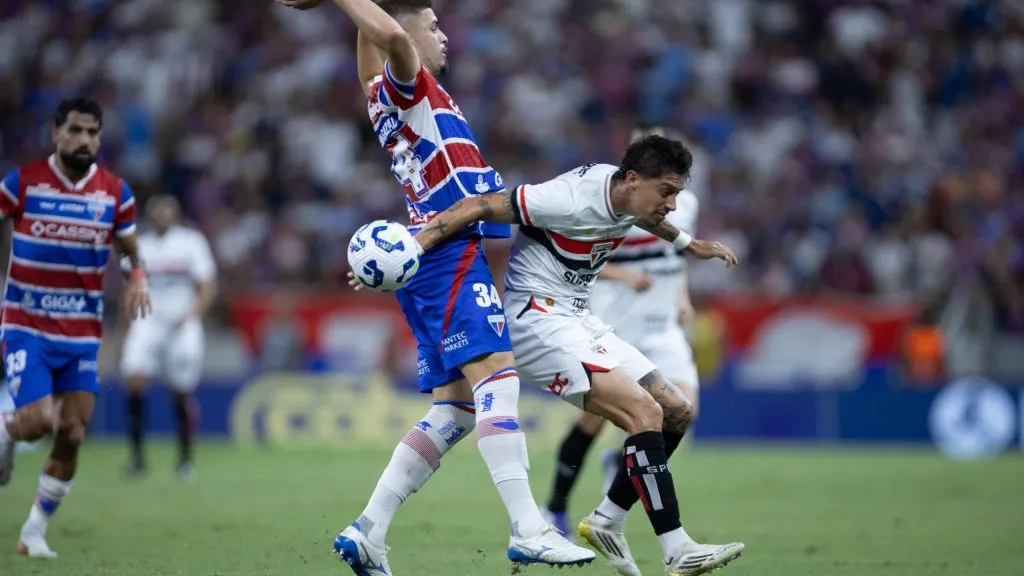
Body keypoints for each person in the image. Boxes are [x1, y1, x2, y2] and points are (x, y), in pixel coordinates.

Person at [275, 0, 594, 573]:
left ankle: (368, 530)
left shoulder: (387, 95)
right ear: (407, 30)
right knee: (497, 378)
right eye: (434, 24)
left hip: (436, 260)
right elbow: (390, 39)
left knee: (456, 410)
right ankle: (529, 528)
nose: (443, 35)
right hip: (446, 257)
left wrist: (356, 14)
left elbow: (374, 46)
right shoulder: (409, 88)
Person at [407, 135, 745, 576]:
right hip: (536, 318)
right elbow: (479, 206)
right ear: (632, 178)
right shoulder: (565, 199)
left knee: (676, 412)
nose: (672, 204)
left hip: (577, 317)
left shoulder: (627, 197)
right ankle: (677, 549)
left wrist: (687, 244)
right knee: (643, 412)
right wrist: (413, 248)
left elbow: (644, 214)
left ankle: (607, 519)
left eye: (677, 194)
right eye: (667, 192)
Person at [0, 97, 151, 558]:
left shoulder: (114, 192)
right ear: (56, 133)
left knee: (72, 433)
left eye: (92, 133)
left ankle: (33, 532)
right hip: (27, 324)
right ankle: (7, 431)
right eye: (76, 131)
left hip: (82, 333)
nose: (84, 140)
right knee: (37, 422)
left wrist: (138, 276)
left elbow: (128, 248)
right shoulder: (22, 183)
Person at [542, 127, 703, 536]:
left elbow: (676, 252)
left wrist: (682, 295)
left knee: (681, 410)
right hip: (616, 320)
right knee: (594, 423)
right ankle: (555, 505)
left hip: (663, 321)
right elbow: (579, 259)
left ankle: (616, 494)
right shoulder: (614, 203)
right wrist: (622, 275)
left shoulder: (684, 204)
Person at [119, 194, 217, 481]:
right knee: (135, 380)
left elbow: (207, 284)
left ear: (176, 213)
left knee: (181, 391)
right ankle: (137, 458)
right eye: (157, 209)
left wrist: (192, 314)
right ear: (150, 214)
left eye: (167, 209)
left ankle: (185, 459)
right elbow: (130, 289)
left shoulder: (190, 242)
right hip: (147, 321)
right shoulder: (139, 246)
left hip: (181, 322)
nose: (162, 214)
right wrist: (124, 330)